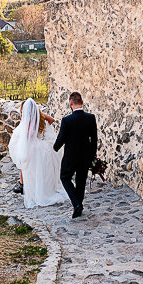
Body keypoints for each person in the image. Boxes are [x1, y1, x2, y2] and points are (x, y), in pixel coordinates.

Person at [8, 98, 69, 208]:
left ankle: (26, 186)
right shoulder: (41, 116)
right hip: (46, 146)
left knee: (24, 160)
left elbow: (28, 137)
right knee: (44, 171)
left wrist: (17, 134)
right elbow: (52, 120)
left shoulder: (28, 122)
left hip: (36, 147)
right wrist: (44, 126)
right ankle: (39, 186)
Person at [53, 91, 98, 219]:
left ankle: (77, 204)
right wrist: (92, 156)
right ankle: (78, 204)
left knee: (65, 177)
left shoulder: (67, 120)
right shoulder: (91, 118)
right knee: (81, 181)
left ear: (71, 103)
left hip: (70, 156)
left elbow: (61, 138)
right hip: (85, 155)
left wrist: (55, 147)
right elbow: (94, 139)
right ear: (82, 102)